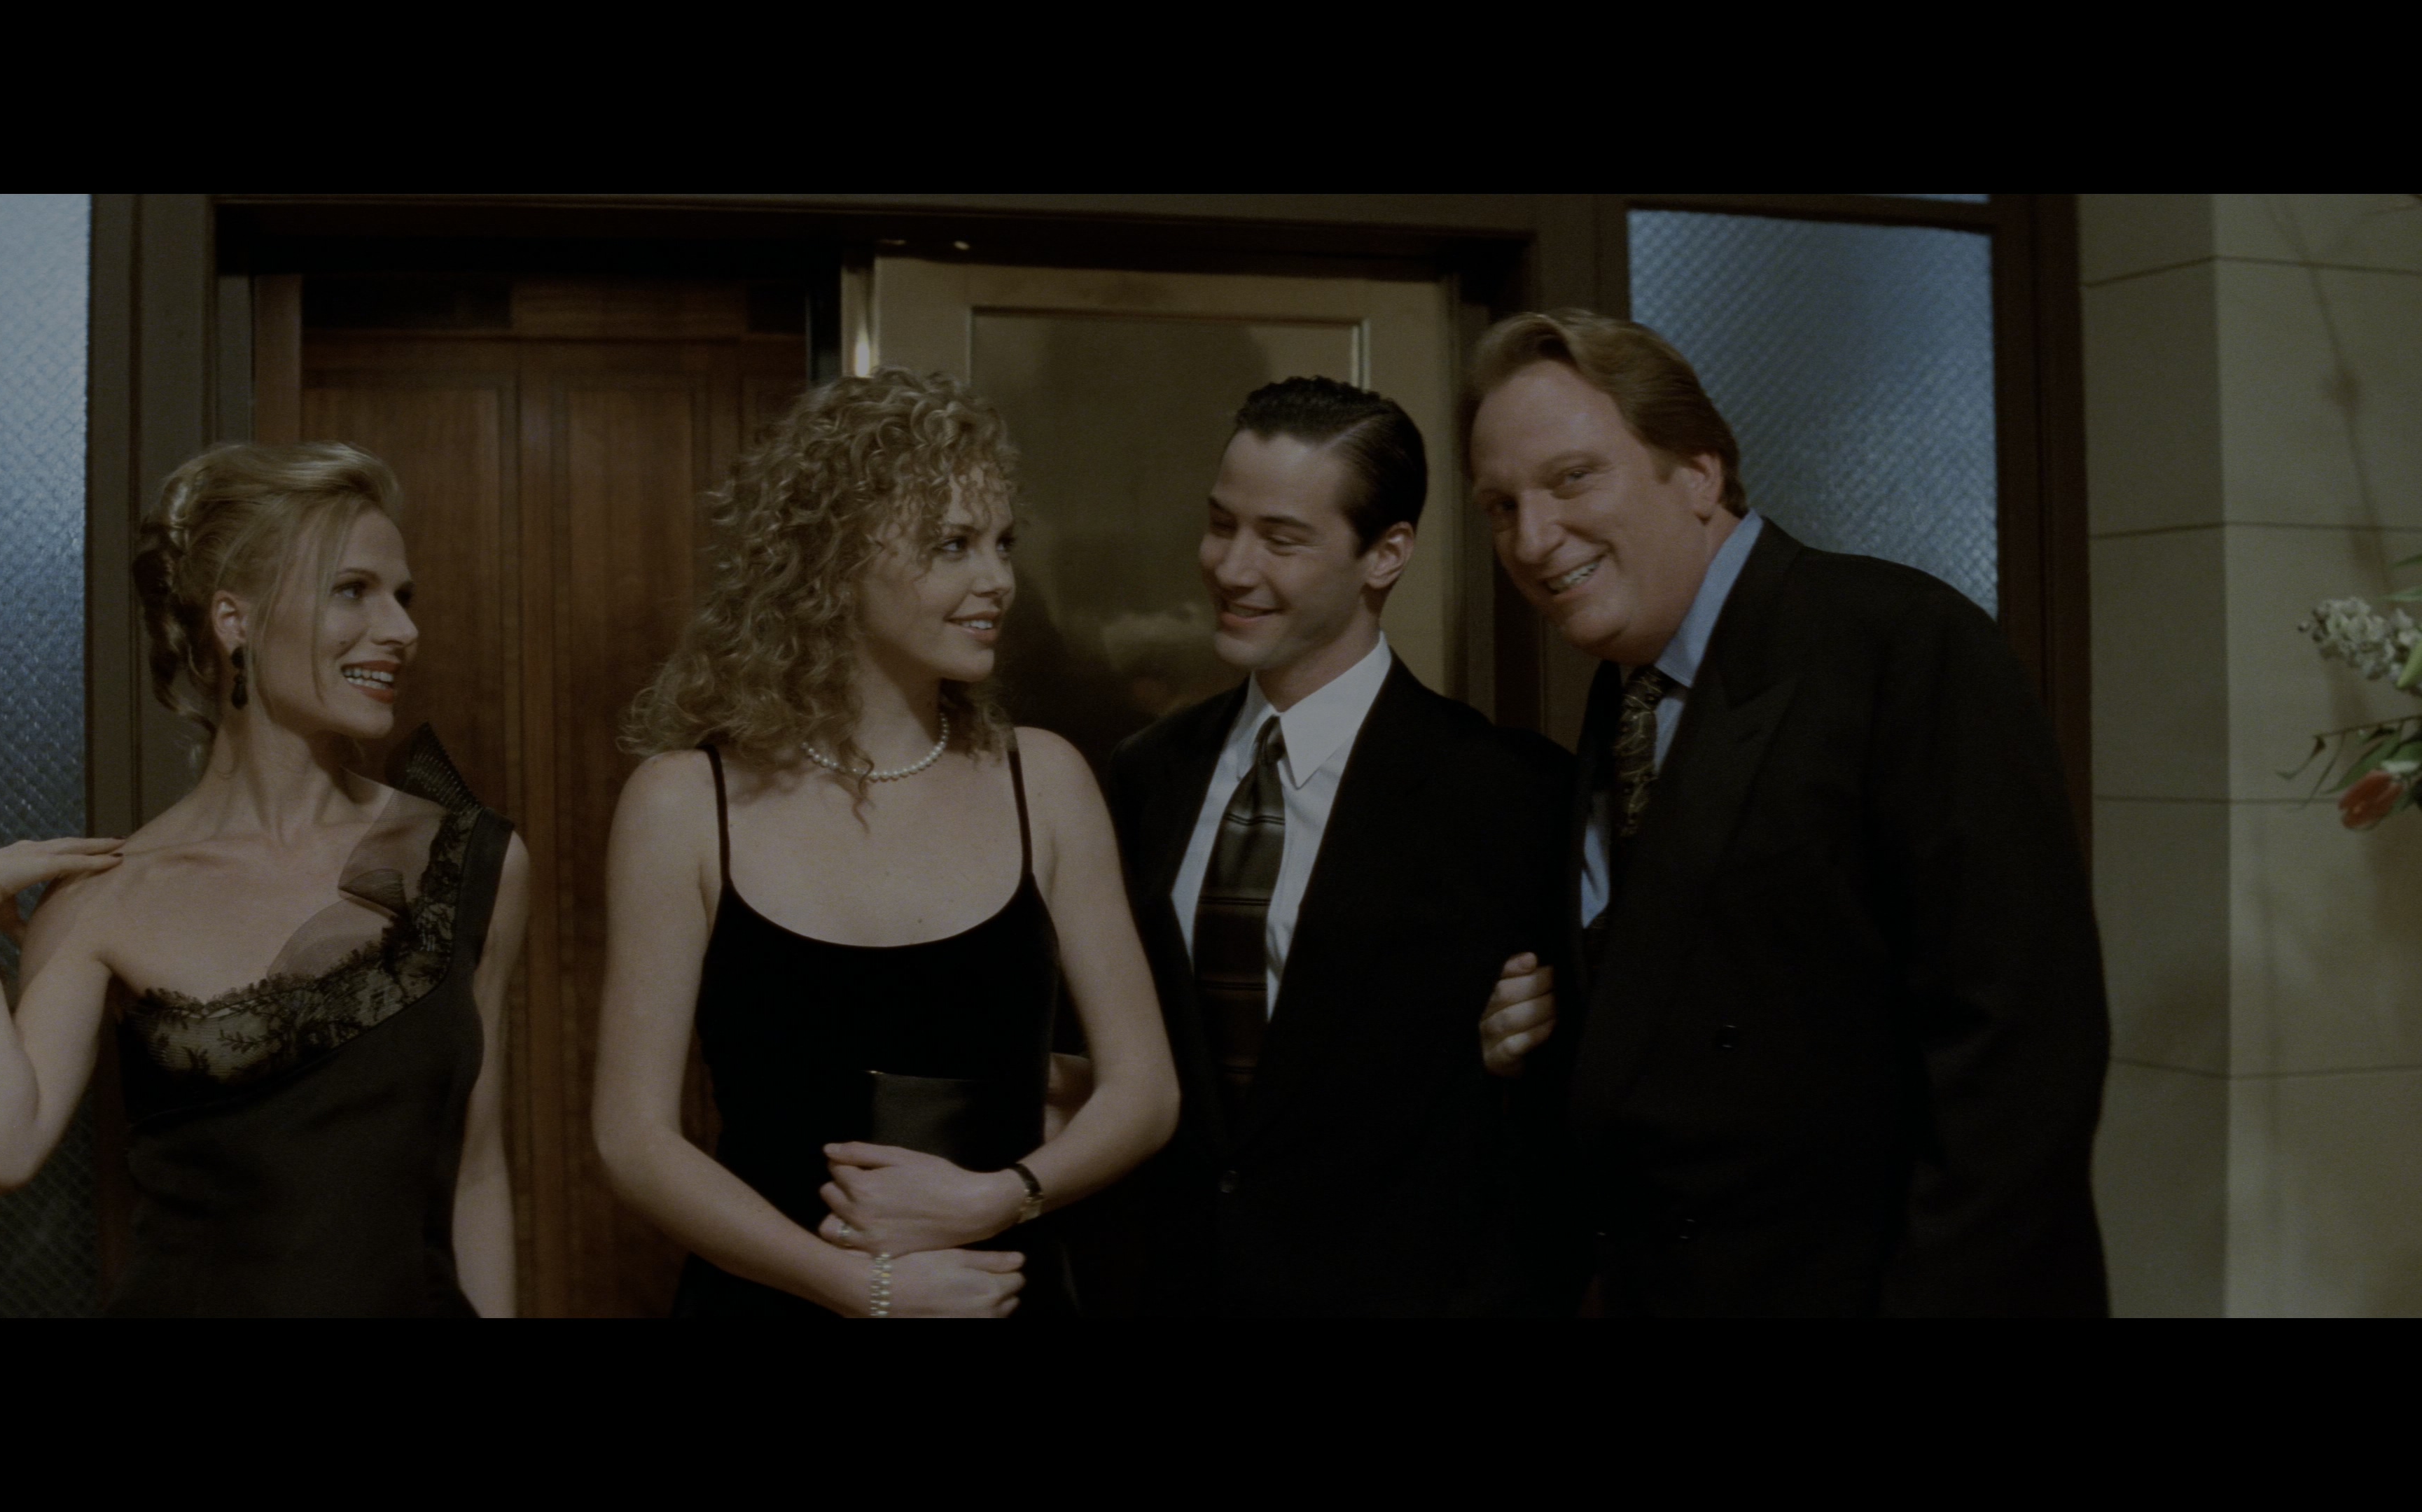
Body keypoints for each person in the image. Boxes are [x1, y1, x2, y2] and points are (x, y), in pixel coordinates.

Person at [1466, 309, 2109, 1317]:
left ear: (1699, 472)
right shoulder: (1628, 688)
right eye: (1502, 506)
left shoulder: (1899, 642)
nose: (1534, 539)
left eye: (1573, 479)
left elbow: (2020, 1056)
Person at [594, 368, 1178, 1319]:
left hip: (998, 1294)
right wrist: (859, 1286)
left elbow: (1144, 1092)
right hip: (775, 1302)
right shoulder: (683, 804)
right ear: (832, 564)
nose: (998, 580)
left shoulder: (1046, 781)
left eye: (1002, 543)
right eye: (952, 545)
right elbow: (634, 1142)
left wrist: (1004, 1196)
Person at [0, 442, 527, 1317]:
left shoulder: (471, 861)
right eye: (352, 590)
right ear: (235, 620)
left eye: (403, 596)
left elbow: (478, 1170)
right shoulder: (105, 896)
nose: (401, 630)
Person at [1101, 377, 1579, 1317]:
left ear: (1385, 554)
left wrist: (1544, 1037)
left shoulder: (1510, 794)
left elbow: (1576, 1099)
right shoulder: (1146, 774)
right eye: (1221, 525)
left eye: (1280, 540)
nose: (1232, 568)